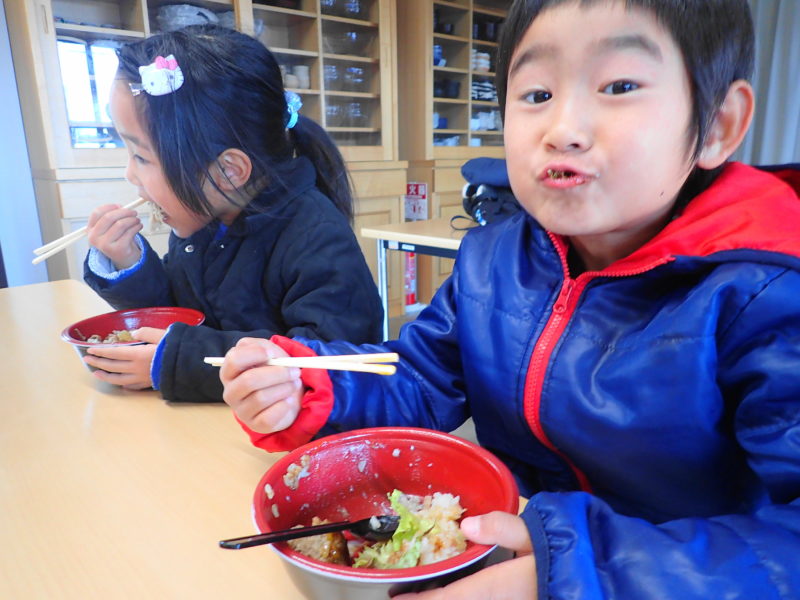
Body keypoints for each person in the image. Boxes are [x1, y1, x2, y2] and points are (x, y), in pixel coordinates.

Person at [220, 0, 800, 597]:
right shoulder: (492, 260)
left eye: (619, 85)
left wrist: (576, 571)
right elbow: (420, 384)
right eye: (536, 94)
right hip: (503, 554)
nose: (563, 130)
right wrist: (309, 387)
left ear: (718, 125)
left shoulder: (766, 295)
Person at [82, 25, 383, 403]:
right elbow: (181, 311)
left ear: (228, 171)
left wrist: (175, 361)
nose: (130, 174)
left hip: (287, 438)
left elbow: (329, 359)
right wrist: (130, 263)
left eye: (141, 156)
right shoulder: (207, 217)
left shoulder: (314, 233)